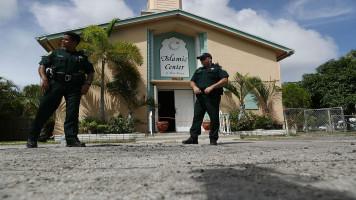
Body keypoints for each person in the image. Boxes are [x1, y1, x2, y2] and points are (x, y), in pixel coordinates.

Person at [26, 32, 95, 148]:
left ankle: (72, 140)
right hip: (55, 85)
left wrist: (87, 85)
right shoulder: (55, 53)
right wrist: (44, 79)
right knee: (44, 111)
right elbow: (42, 66)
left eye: (66, 40)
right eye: (63, 39)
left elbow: (91, 72)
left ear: (74, 42)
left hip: (74, 87)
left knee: (72, 113)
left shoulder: (82, 57)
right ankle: (32, 138)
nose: (62, 41)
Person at [182, 53, 229, 145]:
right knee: (197, 117)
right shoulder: (199, 70)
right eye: (201, 60)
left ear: (209, 59)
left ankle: (213, 138)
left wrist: (212, 87)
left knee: (214, 118)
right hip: (200, 98)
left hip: (212, 97)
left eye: (203, 59)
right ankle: (193, 138)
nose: (201, 61)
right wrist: (194, 88)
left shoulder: (217, 69)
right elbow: (192, 81)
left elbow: (224, 79)